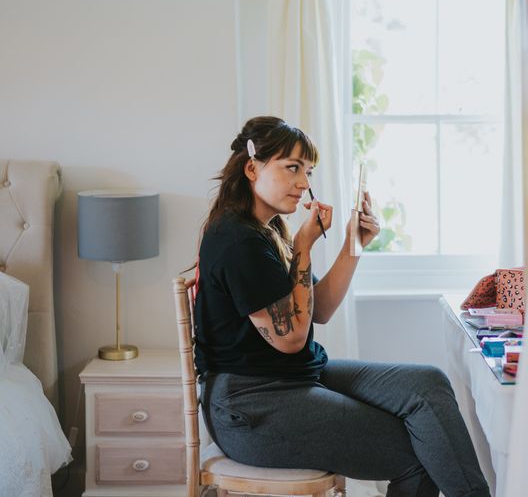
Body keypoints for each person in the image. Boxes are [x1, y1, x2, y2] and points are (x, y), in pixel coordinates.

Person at [194, 116, 491, 497]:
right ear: (252, 168)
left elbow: (320, 309)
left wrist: (355, 243)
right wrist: (304, 244)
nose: (304, 183)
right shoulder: (239, 241)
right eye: (292, 168)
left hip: (288, 380)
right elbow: (291, 339)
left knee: (427, 383)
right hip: (252, 407)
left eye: (308, 171)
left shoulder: (264, 231)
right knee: (424, 448)